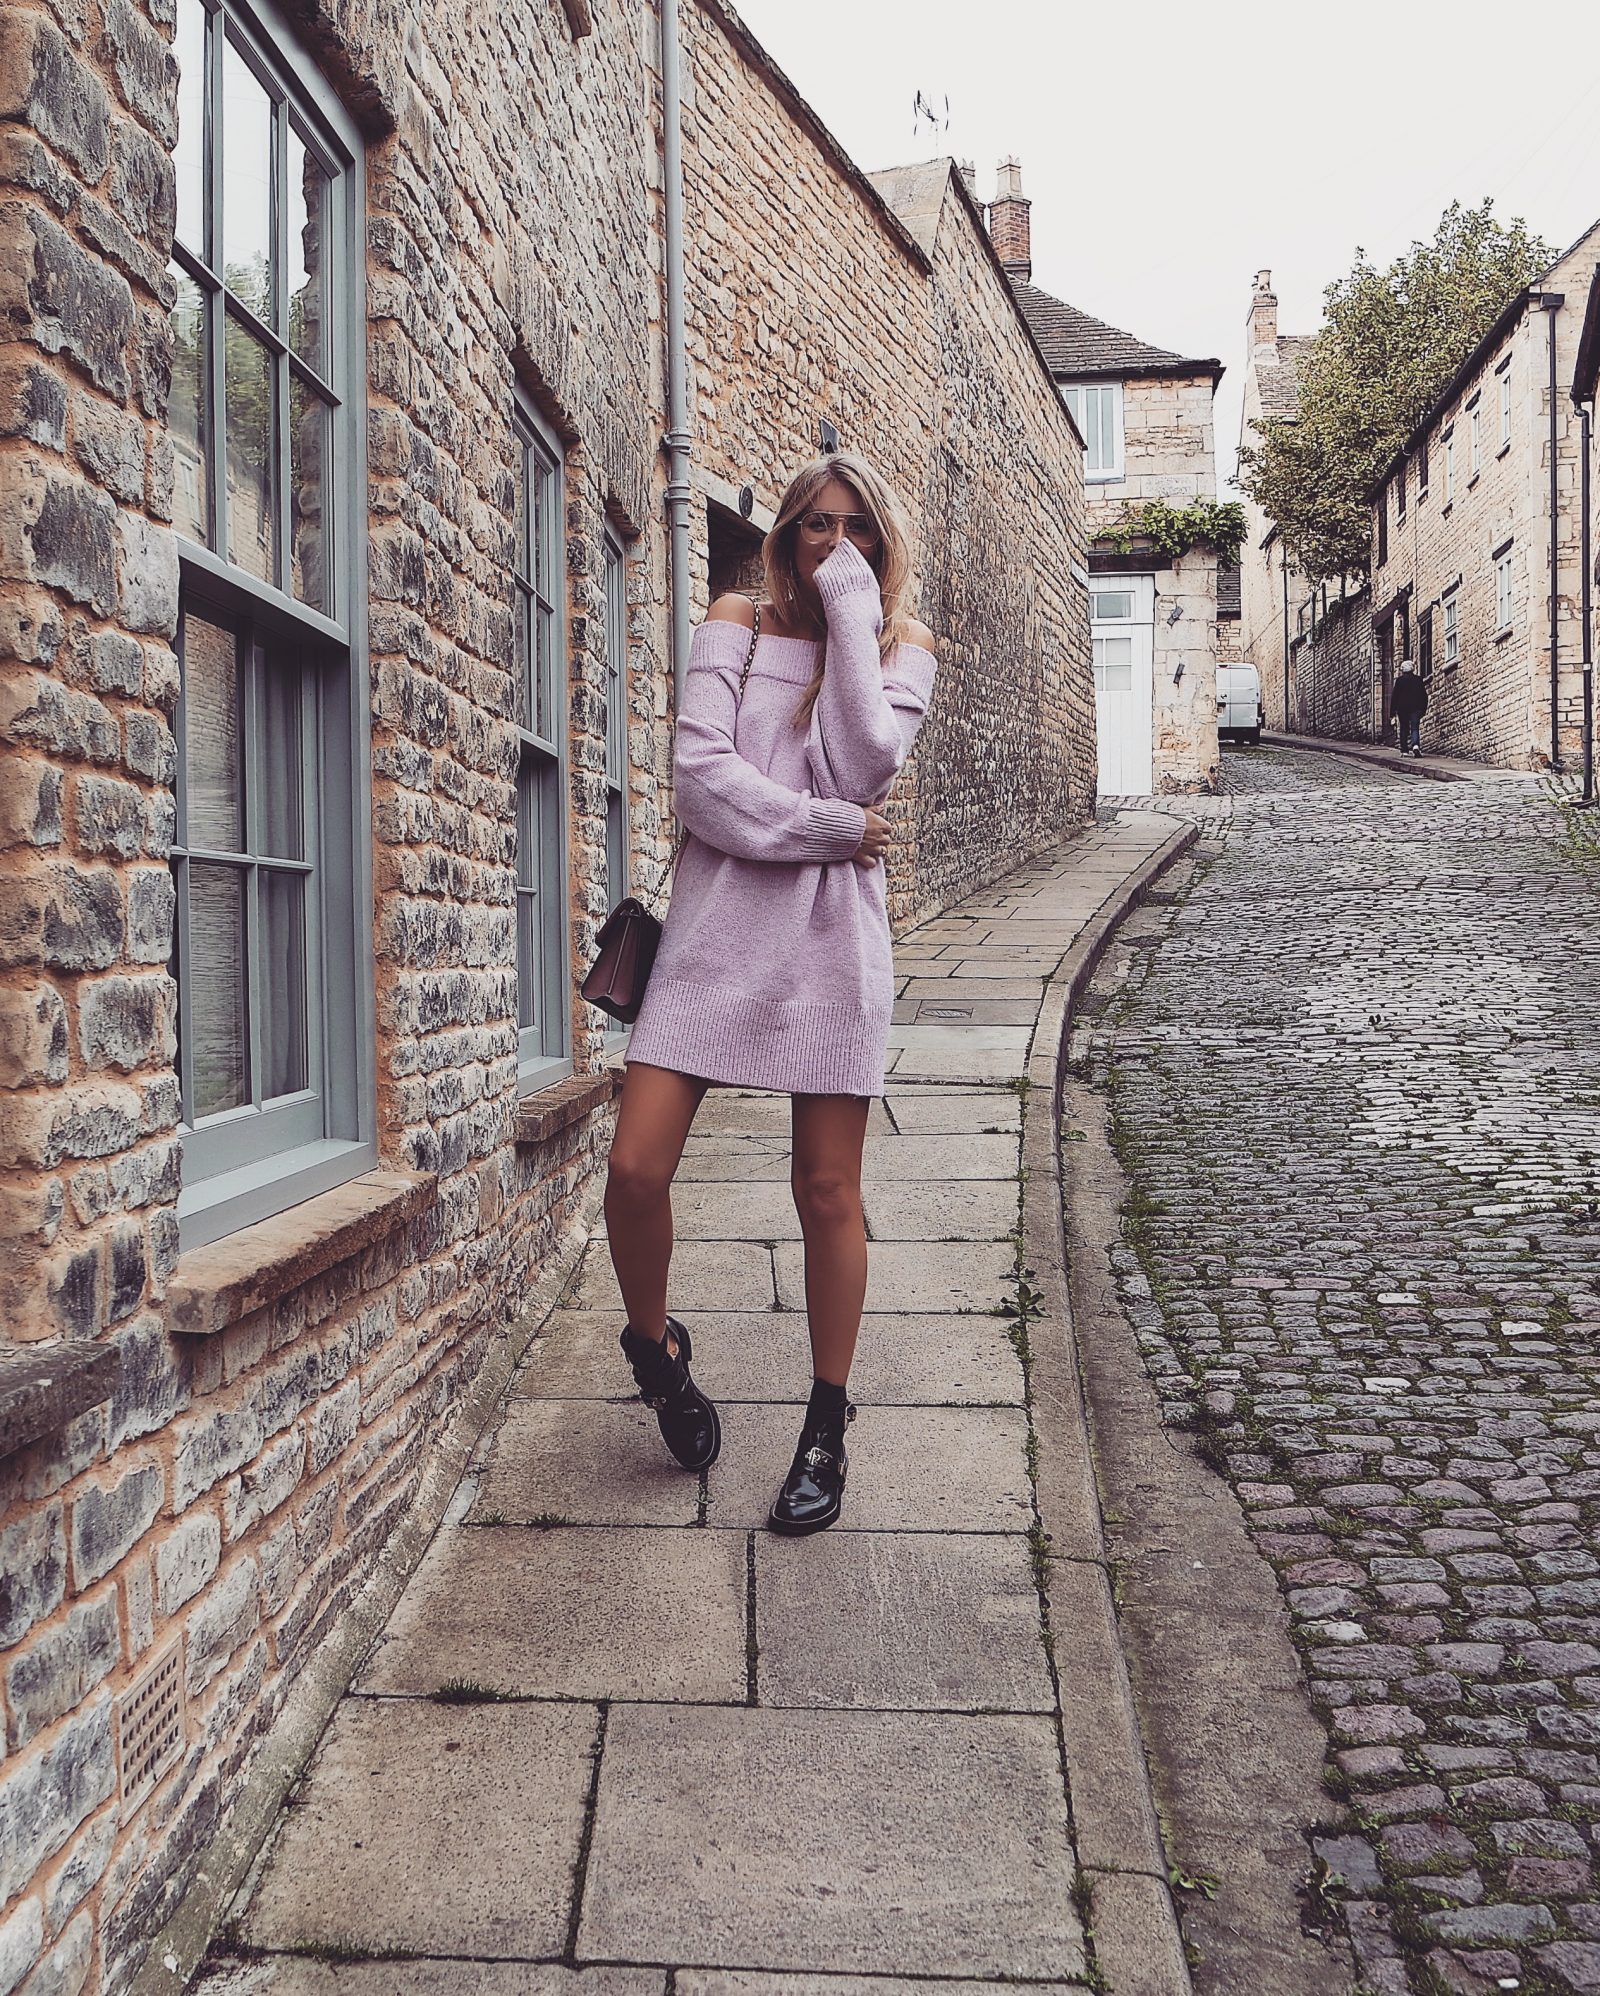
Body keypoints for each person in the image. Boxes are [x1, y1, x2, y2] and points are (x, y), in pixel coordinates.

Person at [601, 453, 937, 1535]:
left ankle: (825, 1427)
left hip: (831, 953)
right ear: (784, 532)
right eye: (815, 528)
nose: (835, 546)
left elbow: (863, 766)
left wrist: (850, 615)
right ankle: (656, 1355)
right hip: (710, 940)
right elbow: (700, 781)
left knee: (827, 1191)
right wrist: (825, 833)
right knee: (634, 1165)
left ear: (879, 544)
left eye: (856, 532)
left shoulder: (901, 647)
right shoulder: (735, 619)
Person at [1392, 659, 1428, 757]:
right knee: (1415, 727)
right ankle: (1415, 745)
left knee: (1404, 728)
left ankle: (1404, 750)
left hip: (1402, 708)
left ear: (1402, 669)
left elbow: (1395, 696)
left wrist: (1392, 712)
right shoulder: (1418, 680)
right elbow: (1423, 695)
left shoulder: (1399, 681)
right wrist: (1423, 708)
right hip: (1415, 708)